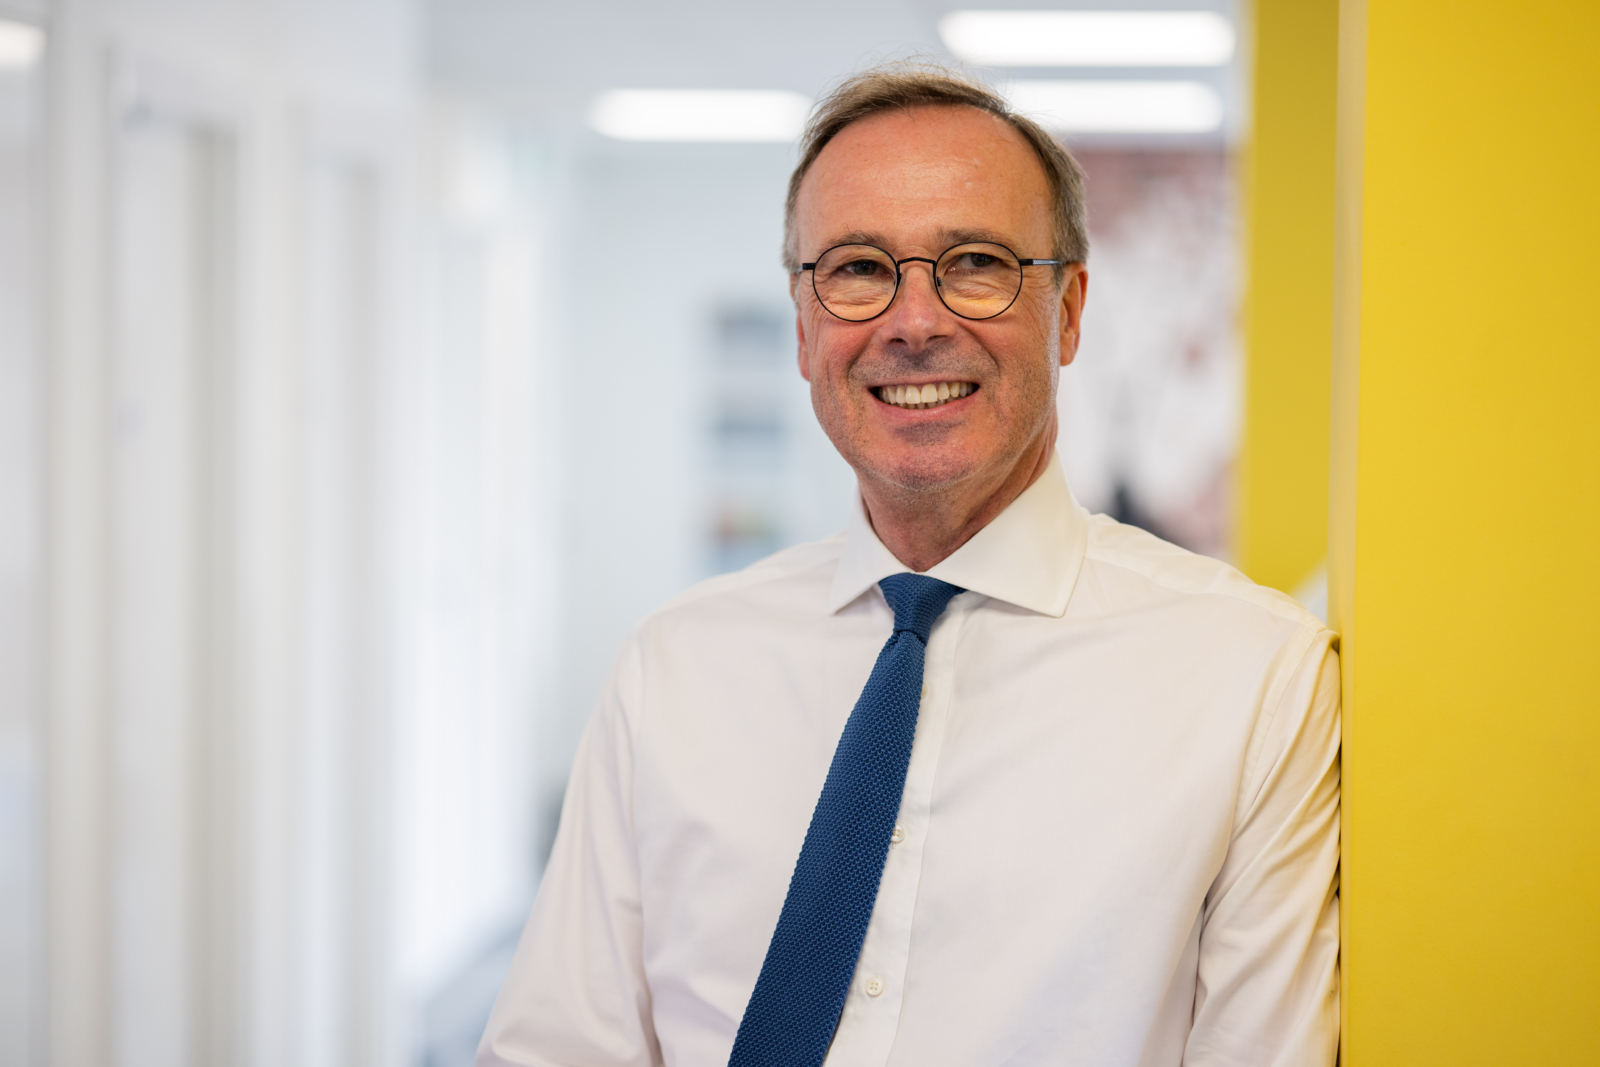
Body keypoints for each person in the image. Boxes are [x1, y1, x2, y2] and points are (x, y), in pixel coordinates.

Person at [478, 64, 1340, 1067]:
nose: (915, 321)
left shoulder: (1248, 677)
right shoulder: (672, 669)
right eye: (855, 268)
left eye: (974, 262)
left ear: (1067, 312)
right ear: (804, 326)